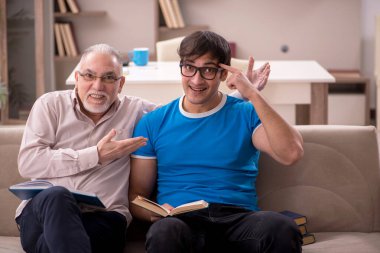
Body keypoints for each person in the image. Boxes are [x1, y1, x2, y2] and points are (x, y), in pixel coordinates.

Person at [129, 31, 304, 253]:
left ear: (223, 74)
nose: (196, 80)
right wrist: (155, 212)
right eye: (189, 67)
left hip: (238, 219)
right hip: (182, 221)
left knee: (281, 227)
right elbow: (136, 196)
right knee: (164, 232)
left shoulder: (245, 113)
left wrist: (252, 94)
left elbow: (291, 153)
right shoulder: (153, 122)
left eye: (208, 70)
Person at [15, 44, 157, 253]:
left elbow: (184, 114)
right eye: (89, 76)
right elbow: (28, 163)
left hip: (104, 218)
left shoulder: (138, 111)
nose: (98, 86)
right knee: (58, 196)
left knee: (59, 242)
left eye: (109, 78)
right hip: (43, 214)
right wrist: (96, 155)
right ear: (77, 77)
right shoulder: (50, 105)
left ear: (121, 84)